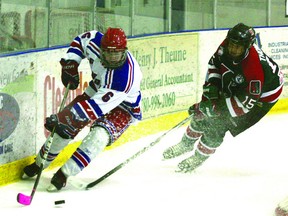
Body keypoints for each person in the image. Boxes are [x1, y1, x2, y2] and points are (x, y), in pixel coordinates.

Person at [22, 27, 143, 191]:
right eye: (108, 53)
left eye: (117, 54)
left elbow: (92, 109)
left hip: (124, 107)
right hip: (98, 90)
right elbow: (80, 42)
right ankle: (39, 164)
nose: (113, 58)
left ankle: (64, 174)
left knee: (99, 136)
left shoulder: (124, 78)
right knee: (64, 129)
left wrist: (64, 117)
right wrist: (70, 63)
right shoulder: (95, 41)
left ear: (124, 51)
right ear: (101, 48)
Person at [163, 23, 284, 173]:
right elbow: (214, 65)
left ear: (247, 47)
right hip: (242, 81)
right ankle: (185, 144)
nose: (233, 49)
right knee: (204, 110)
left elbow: (243, 105)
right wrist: (211, 91)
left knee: (220, 124)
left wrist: (214, 108)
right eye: (232, 44)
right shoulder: (225, 46)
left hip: (262, 97)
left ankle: (198, 157)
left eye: (238, 47)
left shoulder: (254, 69)